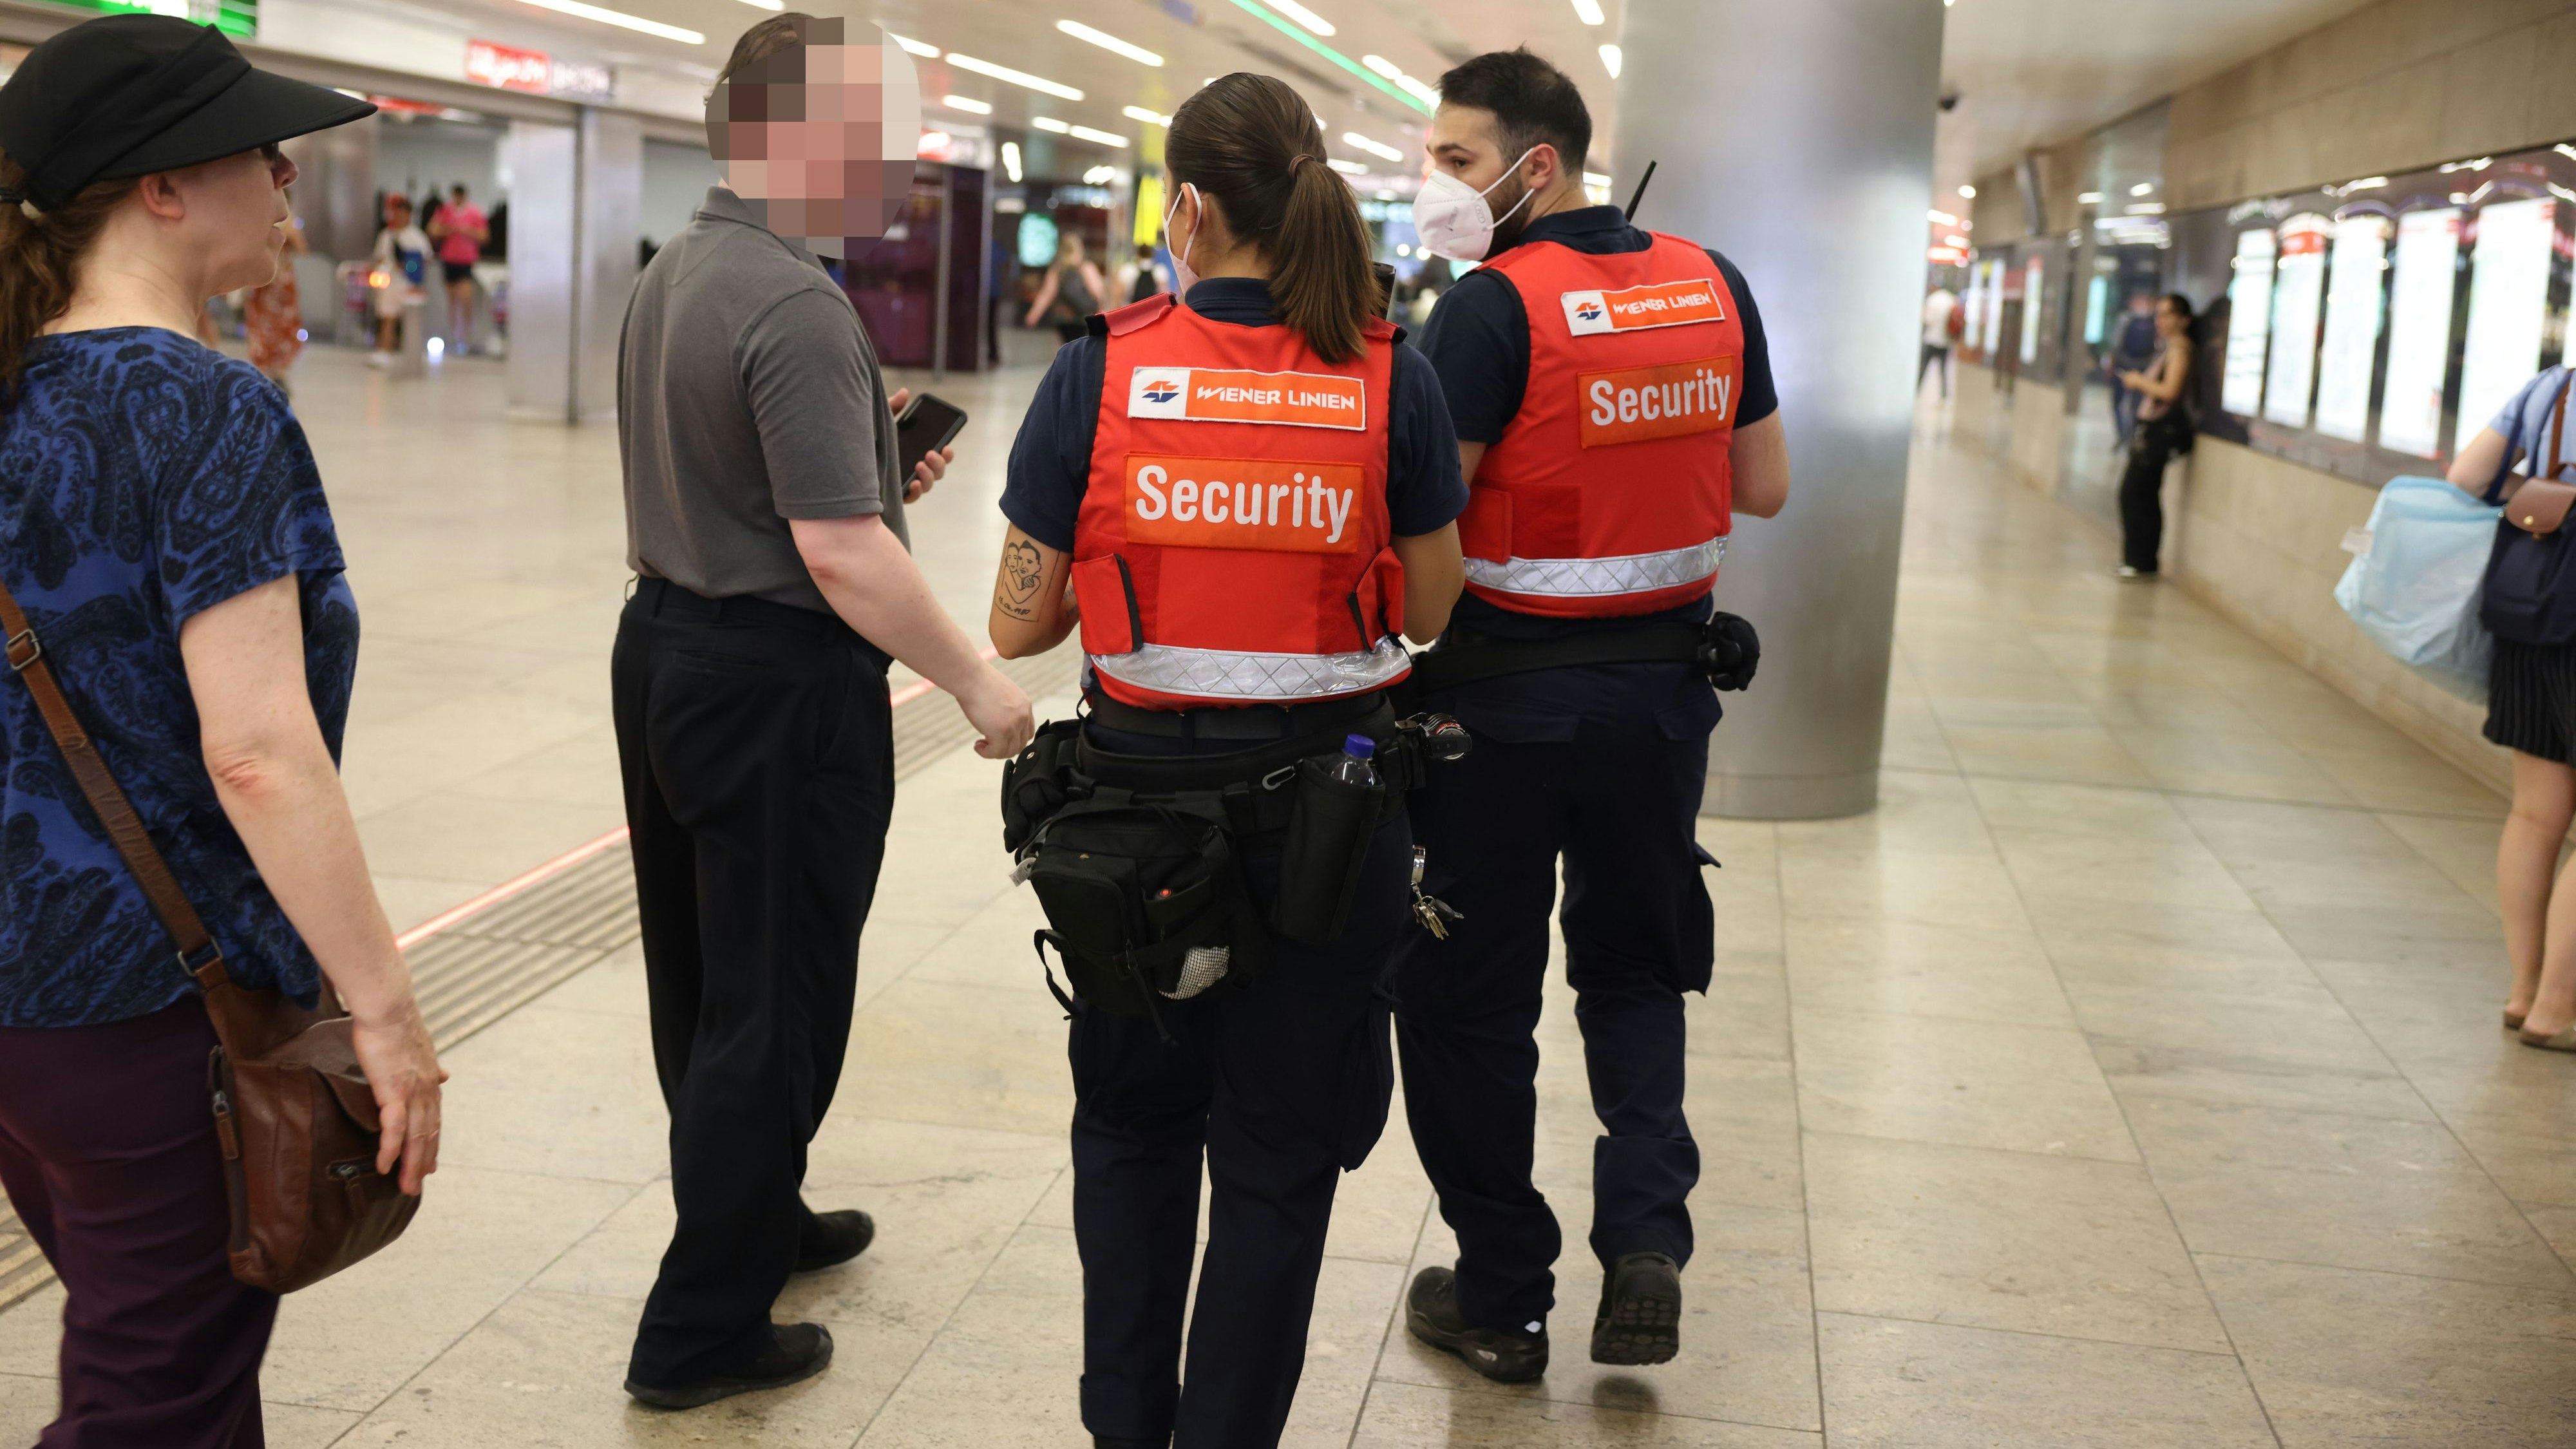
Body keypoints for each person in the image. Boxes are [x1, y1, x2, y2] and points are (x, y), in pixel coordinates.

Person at [987, 71, 1466, 1448]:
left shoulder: (1097, 370)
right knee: (1277, 1160)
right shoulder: (1392, 375)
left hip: (1134, 839)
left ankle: (1125, 1427)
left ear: (1186, 209)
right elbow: (1433, 609)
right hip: (1329, 828)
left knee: (1133, 1132)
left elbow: (1020, 625)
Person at [0, 15, 445, 1447]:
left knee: (168, 1352)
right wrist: (384, 1012)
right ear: (162, 186)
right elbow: (256, 751)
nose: (286, 179)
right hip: (150, 1005)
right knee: (158, 1398)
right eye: (262, 151)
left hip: (23, 1012)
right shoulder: (204, 411)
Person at [612, 12, 1035, 1410]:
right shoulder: (794, 303)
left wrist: (862, 462)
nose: (904, 159)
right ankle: (702, 1331)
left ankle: (756, 1215)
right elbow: (840, 556)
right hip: (775, 685)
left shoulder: (683, 267)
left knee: (709, 978)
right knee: (778, 1000)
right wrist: (977, 678)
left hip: (669, 648)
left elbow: (745, 484)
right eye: (880, 132)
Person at [1391, 47, 1790, 1379]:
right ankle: (1645, 1243)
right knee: (1633, 972)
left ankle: (1502, 1294)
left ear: (1536, 165)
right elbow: (1764, 485)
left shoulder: (1489, 309)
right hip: (1661, 705)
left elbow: (1425, 523)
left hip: (1498, 718)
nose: (1436, 182)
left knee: (1469, 1002)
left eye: (1455, 159)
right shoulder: (1713, 282)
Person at [2448, 363, 2576, 1052]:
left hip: (2530, 605)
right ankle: (2558, 1010)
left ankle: (2525, 991)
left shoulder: (2552, 388)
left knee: (2533, 814)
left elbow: (2467, 478)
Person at [2114, 292, 2193, 578]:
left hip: (2158, 433)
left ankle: (2142, 560)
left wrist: (2139, 382)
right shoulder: (2168, 348)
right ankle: (2138, 558)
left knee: (2137, 494)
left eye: (2167, 314)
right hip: (2149, 429)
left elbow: (2170, 391)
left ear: (2183, 320)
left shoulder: (2180, 350)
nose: (2160, 320)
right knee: (2137, 494)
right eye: (2158, 314)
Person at [244, 195, 307, 393]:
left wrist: (290, 234)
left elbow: (303, 249)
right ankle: (263, 371)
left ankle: (279, 372)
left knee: (285, 326)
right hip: (263, 282)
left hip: (282, 284)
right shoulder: (259, 218)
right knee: (261, 325)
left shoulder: (290, 222)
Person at [367, 192, 428, 367]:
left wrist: (411, 269)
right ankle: (384, 351)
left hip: (409, 283)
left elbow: (424, 260)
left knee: (411, 322)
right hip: (390, 281)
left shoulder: (417, 237)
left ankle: (410, 354)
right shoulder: (387, 235)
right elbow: (379, 258)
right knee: (388, 317)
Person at [426, 182, 486, 354]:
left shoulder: (474, 212)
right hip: (449, 260)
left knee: (466, 299)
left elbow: (484, 236)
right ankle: (454, 335)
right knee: (452, 301)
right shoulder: (445, 210)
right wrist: (449, 230)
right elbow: (432, 230)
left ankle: (467, 336)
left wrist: (467, 231)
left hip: (465, 261)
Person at [1025, 231, 1106, 343]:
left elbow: (1047, 293)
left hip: (1063, 318)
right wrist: (1103, 312)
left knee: (1068, 345)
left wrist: (1033, 315)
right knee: (1081, 346)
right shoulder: (1086, 268)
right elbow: (1098, 292)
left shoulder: (1057, 270)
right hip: (1083, 317)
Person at [2108, 290, 2158, 443]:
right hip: (2143, 367)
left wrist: (2111, 363)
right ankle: (2130, 435)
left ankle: (2123, 435)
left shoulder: (2125, 318)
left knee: (2118, 403)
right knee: (2135, 405)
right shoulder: (2153, 320)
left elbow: (2116, 344)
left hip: (2123, 365)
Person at [1919, 281, 1956, 399]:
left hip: (1931, 339)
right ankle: (1944, 396)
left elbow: (1927, 320)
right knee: (1943, 370)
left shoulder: (1933, 300)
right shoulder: (1952, 300)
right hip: (1946, 341)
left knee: (1923, 367)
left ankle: (1916, 390)